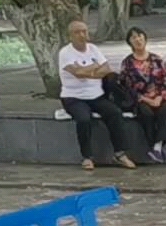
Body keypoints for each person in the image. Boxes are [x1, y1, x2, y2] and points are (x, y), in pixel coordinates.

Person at [58, 19, 138, 171]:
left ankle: (120, 153)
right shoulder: (65, 53)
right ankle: (87, 157)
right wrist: (95, 68)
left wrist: (88, 72)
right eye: (77, 32)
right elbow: (78, 73)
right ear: (70, 36)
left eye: (84, 31)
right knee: (83, 118)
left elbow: (106, 69)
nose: (82, 35)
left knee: (115, 113)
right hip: (73, 97)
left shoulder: (93, 49)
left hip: (96, 95)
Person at [120, 27, 166, 163]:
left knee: (164, 110)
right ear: (130, 42)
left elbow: (165, 80)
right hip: (140, 99)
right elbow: (126, 87)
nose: (138, 40)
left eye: (140, 36)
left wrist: (159, 97)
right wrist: (146, 100)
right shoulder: (127, 63)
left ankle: (157, 146)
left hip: (159, 96)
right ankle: (154, 145)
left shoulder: (156, 60)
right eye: (133, 38)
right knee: (147, 114)